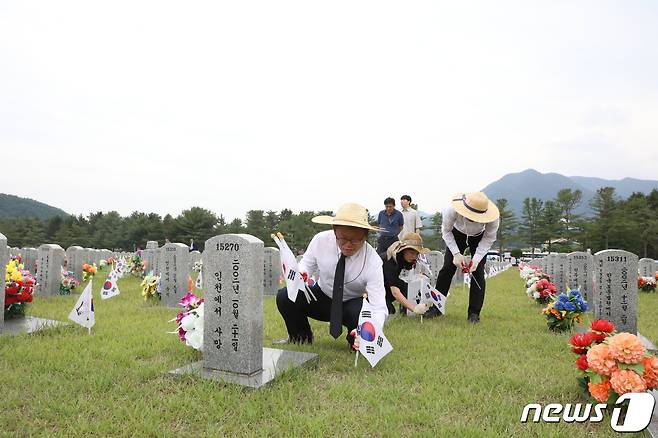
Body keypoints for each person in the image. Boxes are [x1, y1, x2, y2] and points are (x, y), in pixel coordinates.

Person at [275, 203, 388, 348]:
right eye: (342, 239)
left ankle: (356, 341)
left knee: (362, 318)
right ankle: (300, 338)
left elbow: (378, 306)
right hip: (322, 297)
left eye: (355, 240)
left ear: (365, 236)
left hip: (351, 303)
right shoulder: (320, 240)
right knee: (286, 296)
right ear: (334, 231)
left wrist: (371, 330)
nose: (348, 245)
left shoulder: (373, 262)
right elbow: (307, 264)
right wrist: (302, 273)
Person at [429, 192, 500, 323]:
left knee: (478, 273)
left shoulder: (493, 218)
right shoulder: (451, 210)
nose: (474, 219)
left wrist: (477, 259)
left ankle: (474, 313)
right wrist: (456, 254)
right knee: (447, 269)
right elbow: (446, 231)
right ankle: (436, 308)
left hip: (479, 236)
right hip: (456, 233)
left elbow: (489, 238)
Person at [382, 232, 430, 316]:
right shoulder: (390, 260)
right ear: (403, 250)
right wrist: (414, 309)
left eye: (417, 254)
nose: (414, 257)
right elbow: (395, 292)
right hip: (371, 291)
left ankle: (405, 312)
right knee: (389, 311)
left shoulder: (401, 258)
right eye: (411, 253)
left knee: (406, 287)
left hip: (385, 286)